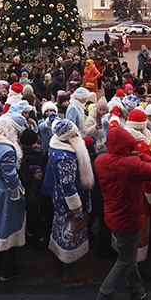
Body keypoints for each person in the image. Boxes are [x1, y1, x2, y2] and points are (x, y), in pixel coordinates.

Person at [94, 120, 151, 300]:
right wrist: (143, 156)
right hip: (130, 217)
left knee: (129, 256)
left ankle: (136, 292)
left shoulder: (100, 160)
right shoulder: (132, 163)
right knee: (125, 261)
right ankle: (103, 297)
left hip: (112, 215)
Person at [45, 118, 94, 283]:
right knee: (70, 234)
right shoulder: (66, 157)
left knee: (59, 230)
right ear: (68, 137)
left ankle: (55, 265)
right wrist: (78, 209)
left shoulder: (56, 146)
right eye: (75, 134)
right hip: (69, 203)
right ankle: (69, 271)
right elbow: (68, 187)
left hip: (58, 198)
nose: (78, 135)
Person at [0, 107, 28, 281]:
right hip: (5, 193)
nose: (16, 136)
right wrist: (18, 192)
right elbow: (10, 176)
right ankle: (7, 270)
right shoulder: (7, 150)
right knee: (8, 229)